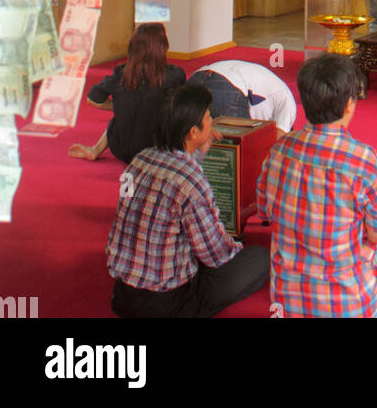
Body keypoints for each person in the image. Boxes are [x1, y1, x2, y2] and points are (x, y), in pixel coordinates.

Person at [257, 53, 377, 318]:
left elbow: (264, 211)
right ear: (349, 105)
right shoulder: (362, 159)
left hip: (288, 301)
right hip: (348, 301)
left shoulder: (278, 151)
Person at [106, 83, 269, 318]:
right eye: (209, 117)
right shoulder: (191, 182)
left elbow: (172, 175)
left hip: (122, 296)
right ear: (193, 132)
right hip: (167, 304)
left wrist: (199, 149)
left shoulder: (139, 160)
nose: (212, 122)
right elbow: (216, 255)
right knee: (260, 259)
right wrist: (239, 250)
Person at [68, 22, 185, 164]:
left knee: (118, 117)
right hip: (154, 151)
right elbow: (181, 110)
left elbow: (92, 99)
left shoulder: (121, 72)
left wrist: (123, 105)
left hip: (121, 150)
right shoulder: (175, 75)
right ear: (163, 46)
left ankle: (96, 149)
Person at [190, 58, 296, 136]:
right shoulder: (288, 103)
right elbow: (278, 140)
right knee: (235, 150)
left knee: (190, 136)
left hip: (198, 76)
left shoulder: (277, 90)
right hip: (228, 85)